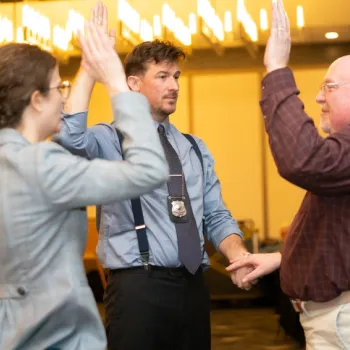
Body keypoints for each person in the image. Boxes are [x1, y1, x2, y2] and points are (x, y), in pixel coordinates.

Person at [56, 3, 252, 350]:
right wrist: (89, 68)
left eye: (176, 76)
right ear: (133, 83)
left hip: (193, 284)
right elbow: (68, 139)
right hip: (137, 288)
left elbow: (216, 214)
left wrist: (237, 255)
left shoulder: (193, 147)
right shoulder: (109, 139)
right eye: (162, 76)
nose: (173, 84)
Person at [0, 17, 168, 350]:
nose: (63, 98)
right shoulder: (42, 165)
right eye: (58, 88)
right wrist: (116, 82)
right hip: (56, 335)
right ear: (36, 100)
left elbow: (69, 140)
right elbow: (149, 169)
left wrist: (89, 70)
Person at [227, 0, 350, 348]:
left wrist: (277, 68)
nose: (318, 97)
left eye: (329, 87)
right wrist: (283, 258)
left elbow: (303, 159)